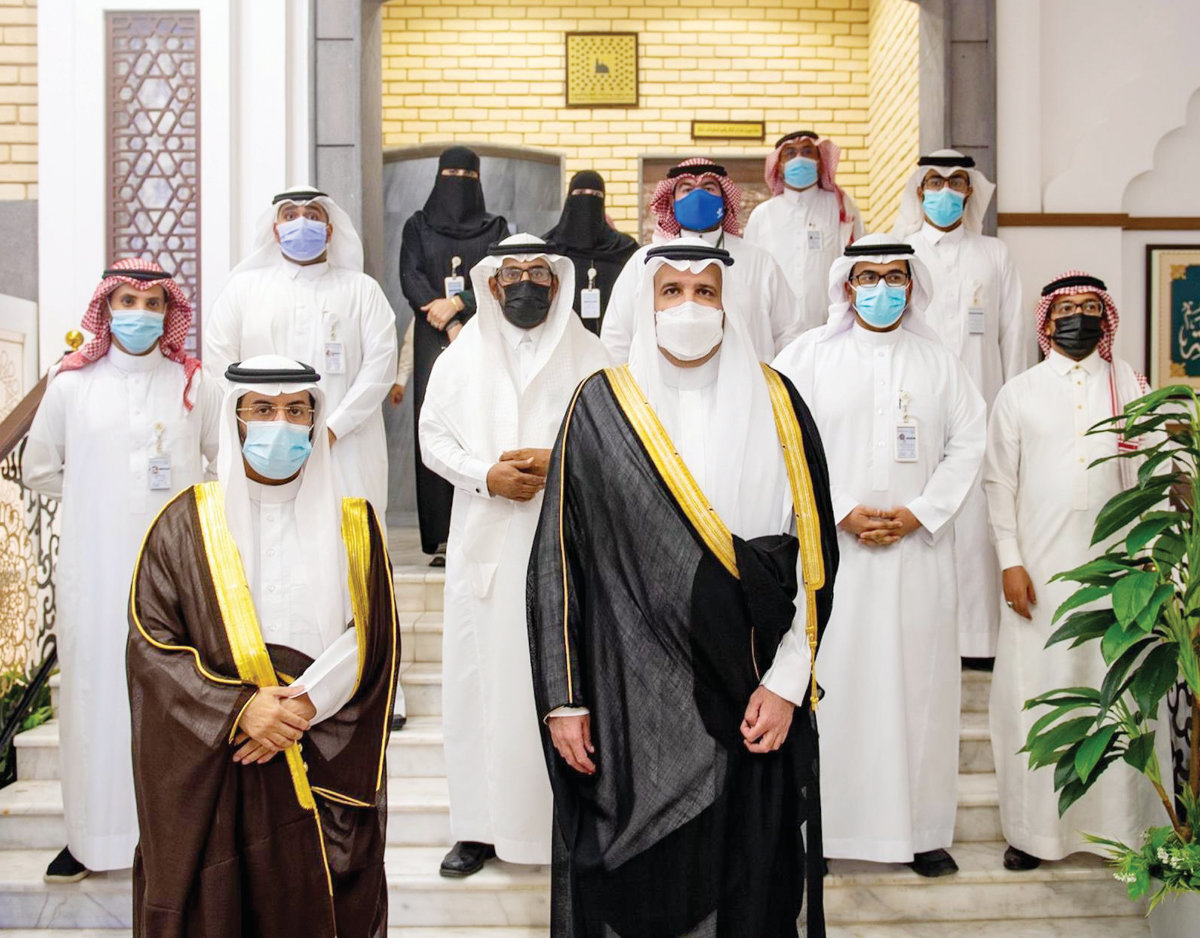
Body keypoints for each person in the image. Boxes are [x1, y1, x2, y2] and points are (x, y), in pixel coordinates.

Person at [528, 239, 838, 937]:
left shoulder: (780, 403)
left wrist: (789, 682)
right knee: (642, 888)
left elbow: (815, 559)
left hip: (753, 692)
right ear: (647, 303)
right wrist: (564, 697)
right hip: (630, 699)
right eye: (672, 291)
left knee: (751, 878)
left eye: (705, 292)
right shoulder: (600, 405)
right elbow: (559, 560)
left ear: (729, 306)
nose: (689, 307)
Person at [127, 355, 400, 937]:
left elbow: (372, 637)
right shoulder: (183, 524)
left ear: (314, 421)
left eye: (296, 410)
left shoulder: (357, 524)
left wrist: (302, 706)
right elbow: (152, 645)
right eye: (263, 409)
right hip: (223, 759)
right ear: (235, 419)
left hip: (321, 746)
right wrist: (238, 710)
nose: (281, 424)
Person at [773, 234, 986, 877]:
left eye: (896, 276)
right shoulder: (807, 356)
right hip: (831, 556)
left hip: (916, 558)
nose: (882, 288)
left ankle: (921, 834)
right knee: (834, 692)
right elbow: (782, 440)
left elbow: (968, 444)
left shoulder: (940, 362)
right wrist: (838, 509)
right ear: (847, 284)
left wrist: (921, 511)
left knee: (919, 694)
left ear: (912, 285)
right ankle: (821, 834)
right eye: (869, 276)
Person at [22, 259, 220, 884]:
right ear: (106, 309)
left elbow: (221, 465)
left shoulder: (194, 384)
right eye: (127, 301)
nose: (140, 313)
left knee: (174, 699)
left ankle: (170, 841)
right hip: (95, 567)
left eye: (153, 303)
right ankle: (90, 838)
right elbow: (39, 467)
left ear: (169, 312)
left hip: (176, 573)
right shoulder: (71, 384)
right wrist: (98, 499)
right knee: (95, 700)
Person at [419, 234, 609, 876]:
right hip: (487, 546)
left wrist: (561, 462)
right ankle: (477, 828)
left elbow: (617, 439)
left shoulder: (591, 354)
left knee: (564, 687)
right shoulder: (461, 355)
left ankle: (565, 827)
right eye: (513, 273)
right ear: (493, 285)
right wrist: (484, 476)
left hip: (568, 545)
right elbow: (431, 439)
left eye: (538, 272)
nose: (525, 283)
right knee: (479, 689)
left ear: (556, 282)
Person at [984, 271, 1164, 871]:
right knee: (1037, 695)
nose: (1078, 317)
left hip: (1122, 573)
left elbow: (1153, 481)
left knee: (1118, 695)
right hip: (1039, 573)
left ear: (1106, 317)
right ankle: (1033, 834)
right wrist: (1010, 561)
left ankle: (1120, 832)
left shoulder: (1131, 387)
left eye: (1090, 307)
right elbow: (998, 484)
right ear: (1047, 320)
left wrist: (1152, 557)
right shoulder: (1020, 392)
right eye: (1066, 308)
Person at [894, 150, 1027, 663]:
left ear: (970, 190)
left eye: (956, 182)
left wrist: (1012, 410)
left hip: (984, 404)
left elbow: (1014, 336)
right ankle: (919, 639)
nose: (945, 191)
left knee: (974, 525)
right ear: (919, 190)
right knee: (920, 516)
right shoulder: (900, 251)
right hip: (915, 409)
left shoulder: (994, 254)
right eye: (934, 181)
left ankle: (976, 642)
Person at [204, 186, 398, 521]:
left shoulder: (362, 290)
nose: (302, 222)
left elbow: (380, 367)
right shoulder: (243, 289)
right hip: (262, 443)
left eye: (312, 215)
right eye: (291, 215)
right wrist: (257, 423)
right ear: (276, 230)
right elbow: (219, 359)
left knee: (348, 535)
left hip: (345, 445)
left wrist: (332, 428)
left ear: (330, 230)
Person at [400, 146, 510, 564]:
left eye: (466, 177)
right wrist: (446, 319)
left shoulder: (495, 227)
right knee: (437, 425)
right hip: (433, 335)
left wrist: (461, 302)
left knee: (479, 425)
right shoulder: (417, 225)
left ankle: (480, 529)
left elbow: (499, 275)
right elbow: (410, 276)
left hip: (481, 333)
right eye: (451, 175)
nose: (458, 185)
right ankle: (441, 537)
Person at [600, 158, 802, 362]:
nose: (698, 196)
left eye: (708, 188)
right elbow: (616, 337)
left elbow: (789, 334)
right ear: (672, 202)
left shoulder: (759, 262)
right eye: (687, 189)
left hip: (745, 380)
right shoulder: (645, 261)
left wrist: (776, 380)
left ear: (724, 200)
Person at [744, 130, 865, 332]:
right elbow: (751, 275)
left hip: (831, 328)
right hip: (776, 334)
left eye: (807, 151)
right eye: (790, 153)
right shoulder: (762, 215)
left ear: (819, 160)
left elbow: (859, 262)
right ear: (779, 165)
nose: (799, 158)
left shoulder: (840, 206)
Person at [541, 170, 639, 335]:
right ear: (569, 198)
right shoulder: (548, 250)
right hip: (561, 340)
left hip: (613, 341)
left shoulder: (624, 249)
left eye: (595, 194)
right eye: (580, 193)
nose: (587, 199)